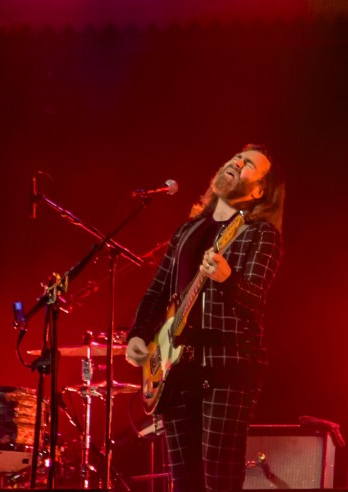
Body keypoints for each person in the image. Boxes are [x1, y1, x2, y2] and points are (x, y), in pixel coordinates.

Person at [125, 144, 285, 492]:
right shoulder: (187, 231)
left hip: (227, 368)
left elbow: (256, 299)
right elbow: (156, 292)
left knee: (219, 482)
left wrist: (228, 278)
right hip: (175, 372)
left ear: (258, 190)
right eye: (235, 159)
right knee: (184, 484)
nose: (236, 163)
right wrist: (138, 335)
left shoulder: (260, 234)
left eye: (248, 166)